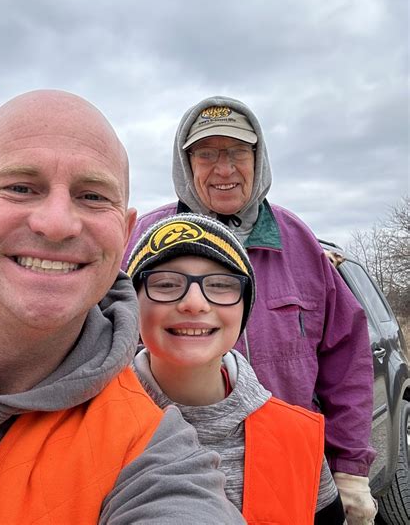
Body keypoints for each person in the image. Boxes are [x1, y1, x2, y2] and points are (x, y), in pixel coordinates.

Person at [0, 90, 246, 524]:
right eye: (20, 187)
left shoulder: (151, 445)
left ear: (123, 234)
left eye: (93, 196)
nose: (58, 223)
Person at [123, 95, 377, 525]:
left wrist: (350, 469)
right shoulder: (145, 239)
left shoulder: (299, 243)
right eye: (206, 154)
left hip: (286, 476)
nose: (224, 169)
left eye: (238, 151)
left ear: (258, 160)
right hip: (157, 463)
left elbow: (347, 360)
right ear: (185, 165)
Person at [126, 212, 345, 524]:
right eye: (166, 283)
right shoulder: (88, 426)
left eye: (219, 284)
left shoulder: (296, 437)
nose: (194, 302)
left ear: (244, 307)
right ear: (133, 301)